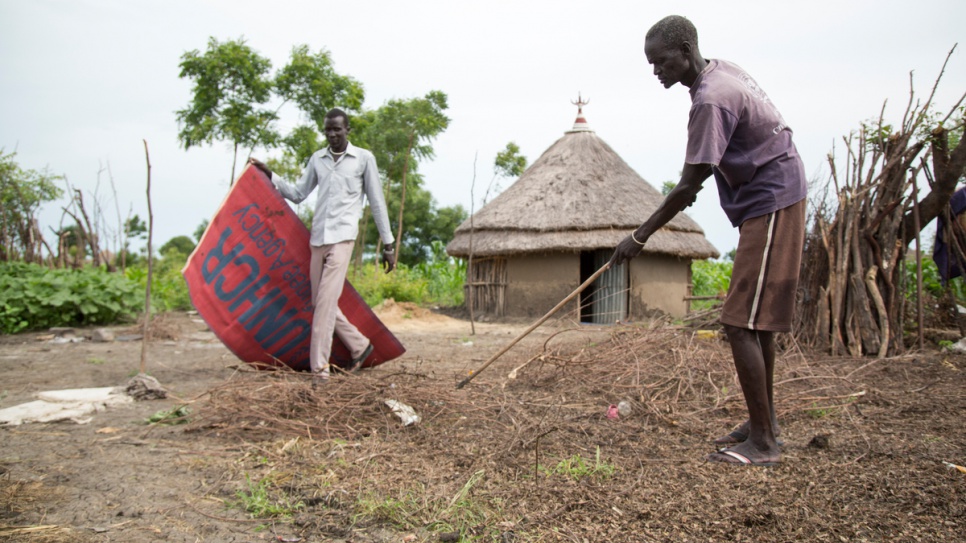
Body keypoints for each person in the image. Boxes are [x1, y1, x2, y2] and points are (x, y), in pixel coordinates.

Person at [610, 15, 807, 466]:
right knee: (754, 322)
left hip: (772, 197)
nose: (656, 71)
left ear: (685, 50)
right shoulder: (721, 74)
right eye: (651, 64)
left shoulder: (710, 101)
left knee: (740, 323)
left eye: (661, 62)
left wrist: (638, 237)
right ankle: (765, 423)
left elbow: (687, 187)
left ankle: (763, 443)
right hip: (770, 196)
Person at [249, 108, 396, 386]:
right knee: (320, 303)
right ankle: (359, 345)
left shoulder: (363, 159)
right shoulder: (318, 159)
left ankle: (320, 373)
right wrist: (271, 175)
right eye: (328, 130)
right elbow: (298, 194)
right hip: (318, 239)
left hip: (342, 239)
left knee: (325, 307)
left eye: (337, 129)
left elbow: (377, 203)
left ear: (347, 130)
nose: (332, 134)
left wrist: (388, 244)